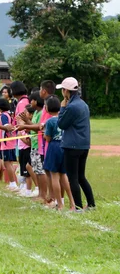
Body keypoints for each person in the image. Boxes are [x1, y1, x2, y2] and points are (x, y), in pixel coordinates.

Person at [57, 77, 95, 211]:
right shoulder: (83, 104)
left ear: (66, 91)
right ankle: (91, 204)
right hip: (84, 144)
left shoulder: (71, 107)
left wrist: (62, 108)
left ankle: (78, 207)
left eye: (62, 89)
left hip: (72, 145)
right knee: (80, 176)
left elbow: (61, 124)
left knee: (72, 177)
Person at [43, 96, 76, 211]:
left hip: (54, 147)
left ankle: (60, 204)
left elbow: (47, 138)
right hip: (64, 146)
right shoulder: (63, 118)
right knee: (64, 175)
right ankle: (72, 202)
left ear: (47, 108)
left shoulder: (50, 121)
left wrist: (44, 134)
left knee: (55, 176)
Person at [17, 93, 48, 202]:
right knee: (36, 170)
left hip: (39, 145)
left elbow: (38, 128)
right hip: (34, 145)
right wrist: (26, 122)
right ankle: (40, 193)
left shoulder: (41, 113)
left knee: (40, 171)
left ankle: (44, 195)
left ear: (36, 101)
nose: (30, 103)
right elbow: (33, 126)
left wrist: (26, 123)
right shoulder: (36, 113)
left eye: (32, 101)